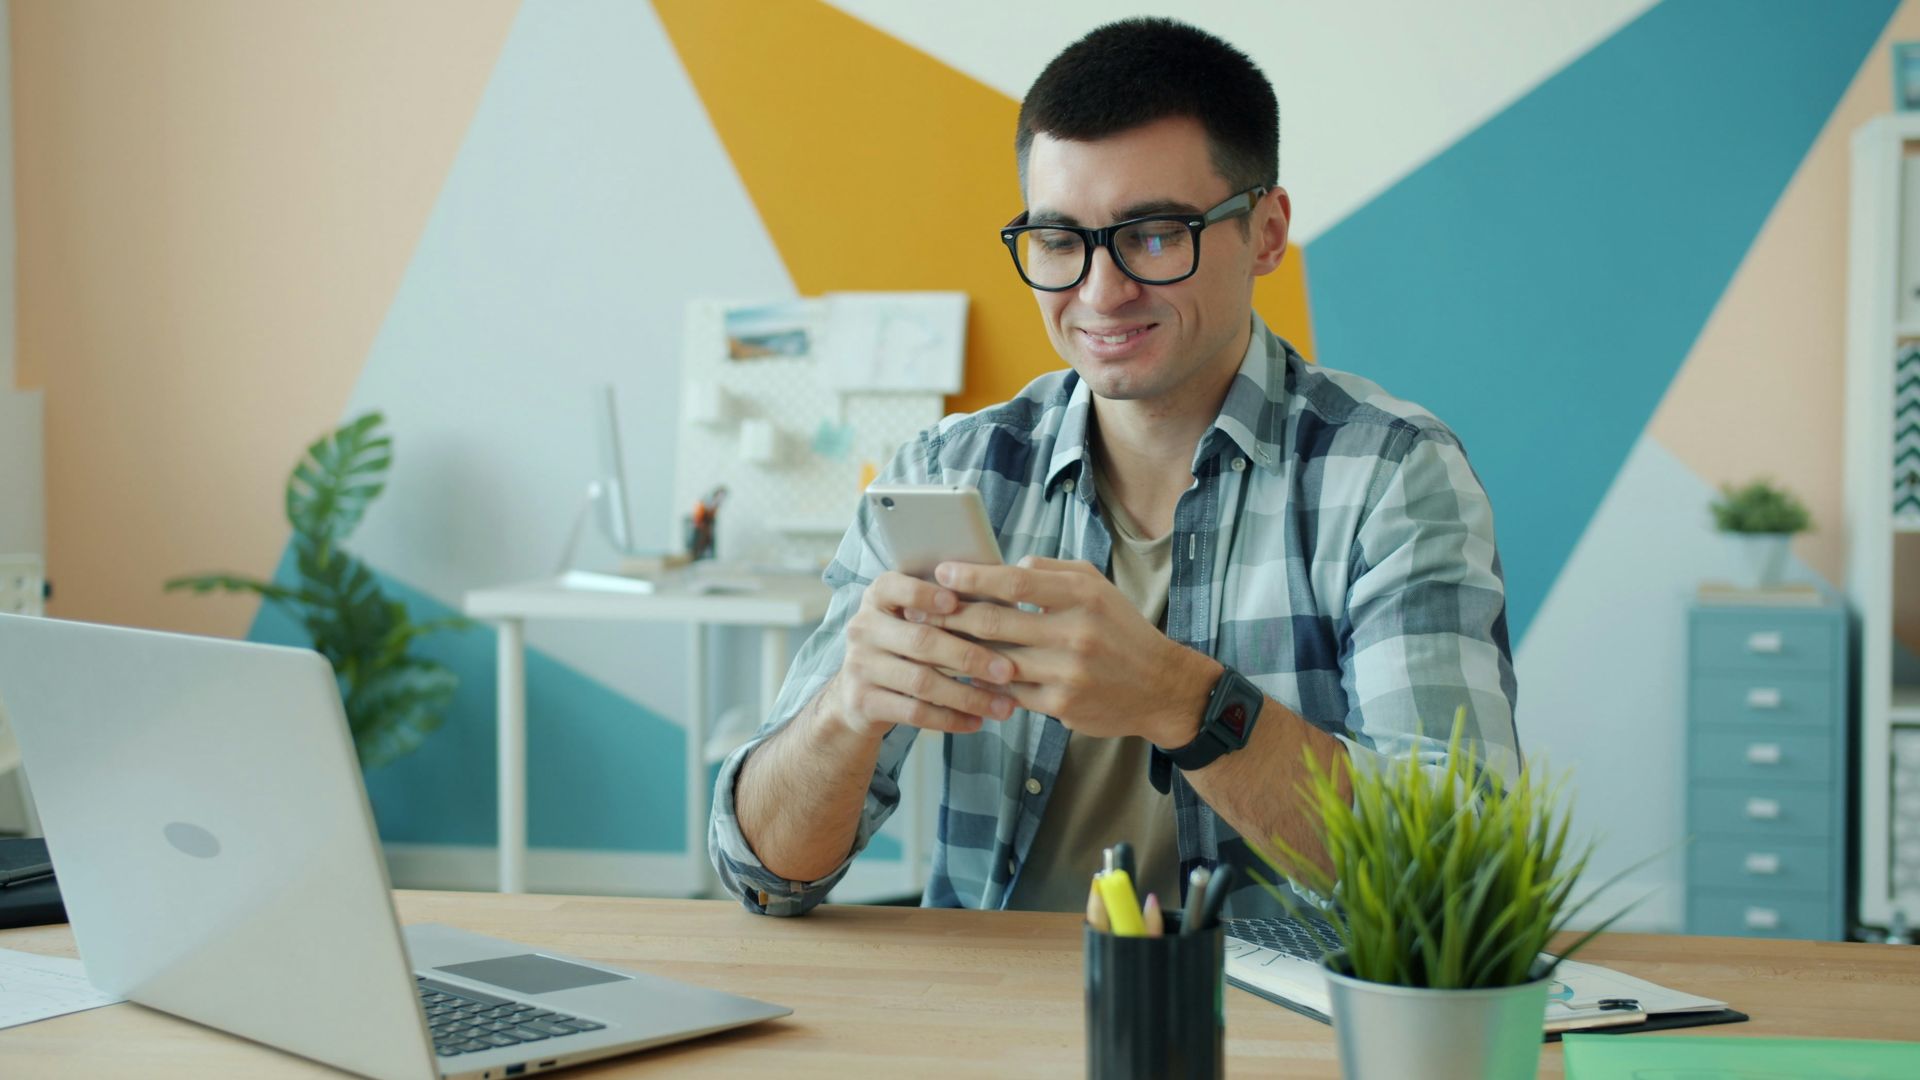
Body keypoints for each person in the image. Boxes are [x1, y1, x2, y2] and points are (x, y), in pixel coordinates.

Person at [710, 17, 1519, 916]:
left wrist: (1183, 701)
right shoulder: (952, 470)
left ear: (1265, 232)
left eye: (1155, 234)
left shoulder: (1390, 477)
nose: (1099, 293)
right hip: (990, 1030)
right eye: (1059, 242)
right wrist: (844, 713)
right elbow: (762, 877)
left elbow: (1462, 877)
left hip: (1276, 1039)